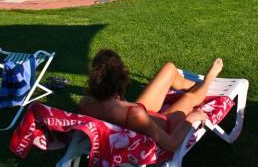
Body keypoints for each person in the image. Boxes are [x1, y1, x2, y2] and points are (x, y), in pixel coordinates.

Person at [79, 49, 224, 152]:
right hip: (164, 124)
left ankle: (191, 85)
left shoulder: (86, 103)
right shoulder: (134, 113)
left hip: (137, 116)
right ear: (121, 80)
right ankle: (207, 81)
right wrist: (190, 119)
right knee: (189, 98)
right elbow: (172, 144)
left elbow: (121, 113)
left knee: (169, 69)